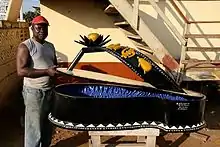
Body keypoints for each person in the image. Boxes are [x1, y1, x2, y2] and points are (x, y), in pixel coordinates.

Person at [16, 16, 58, 147]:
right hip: (34, 93)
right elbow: (21, 71)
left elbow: (53, 65)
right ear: (32, 28)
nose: (42, 30)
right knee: (34, 128)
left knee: (47, 125)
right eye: (38, 27)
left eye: (45, 28)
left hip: (49, 91)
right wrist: (46, 72)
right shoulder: (25, 46)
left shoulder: (50, 46)